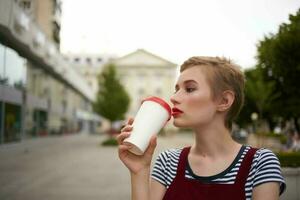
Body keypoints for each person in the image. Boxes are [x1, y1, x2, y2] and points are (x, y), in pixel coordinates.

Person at [117, 56, 286, 200]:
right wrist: (139, 171)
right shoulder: (168, 161)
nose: (174, 98)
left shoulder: (260, 163)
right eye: (177, 89)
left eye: (189, 89)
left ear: (224, 101)